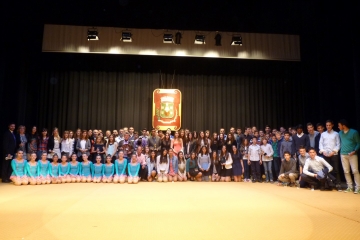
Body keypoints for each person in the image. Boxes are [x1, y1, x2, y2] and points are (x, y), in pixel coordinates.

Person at [338, 119, 360, 193]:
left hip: (352, 155)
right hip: (343, 154)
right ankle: (349, 186)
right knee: (346, 171)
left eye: (339, 125)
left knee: (355, 171)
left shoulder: (354, 132)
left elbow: (358, 143)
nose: (338, 127)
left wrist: (354, 151)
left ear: (343, 126)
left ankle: (358, 187)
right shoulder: (340, 133)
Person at [319, 120, 342, 188]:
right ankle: (328, 184)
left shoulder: (336, 134)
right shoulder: (323, 134)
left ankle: (338, 184)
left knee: (336, 170)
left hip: (334, 154)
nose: (328, 126)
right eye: (327, 125)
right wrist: (323, 151)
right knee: (327, 170)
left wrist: (333, 152)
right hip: (325, 154)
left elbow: (338, 144)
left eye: (329, 125)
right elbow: (320, 144)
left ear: (332, 125)